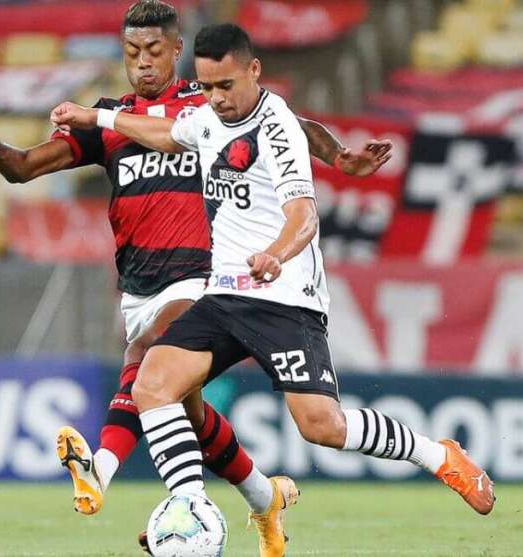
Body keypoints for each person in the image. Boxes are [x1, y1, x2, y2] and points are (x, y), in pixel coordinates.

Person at [0, 2, 392, 555]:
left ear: (177, 50)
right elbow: (21, 168)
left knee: (149, 354)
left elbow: (292, 126)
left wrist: (340, 156)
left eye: (154, 50)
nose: (143, 62)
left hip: (204, 278)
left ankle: (115, 477)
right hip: (138, 285)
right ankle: (263, 498)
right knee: (189, 411)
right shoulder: (107, 120)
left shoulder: (208, 103)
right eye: (132, 52)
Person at [50, 22, 497, 543]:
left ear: (254, 71)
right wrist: (96, 116)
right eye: (208, 87)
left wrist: (276, 255)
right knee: (153, 382)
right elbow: (166, 133)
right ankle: (188, 507)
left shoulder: (276, 126)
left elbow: (305, 216)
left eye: (226, 87)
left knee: (322, 427)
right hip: (222, 294)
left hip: (284, 299)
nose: (216, 99)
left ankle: (440, 455)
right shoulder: (208, 117)